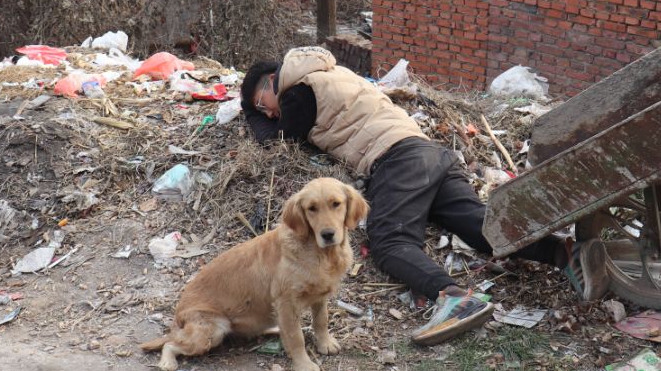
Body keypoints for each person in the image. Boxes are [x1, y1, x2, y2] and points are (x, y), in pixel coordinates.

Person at [240, 46, 608, 345]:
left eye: (262, 103)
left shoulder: (297, 89)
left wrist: (249, 116)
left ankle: (452, 298)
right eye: (259, 110)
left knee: (389, 240)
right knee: (474, 223)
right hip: (429, 152)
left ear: (274, 81)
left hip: (396, 158)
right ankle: (564, 252)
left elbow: (278, 139)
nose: (268, 113)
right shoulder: (329, 73)